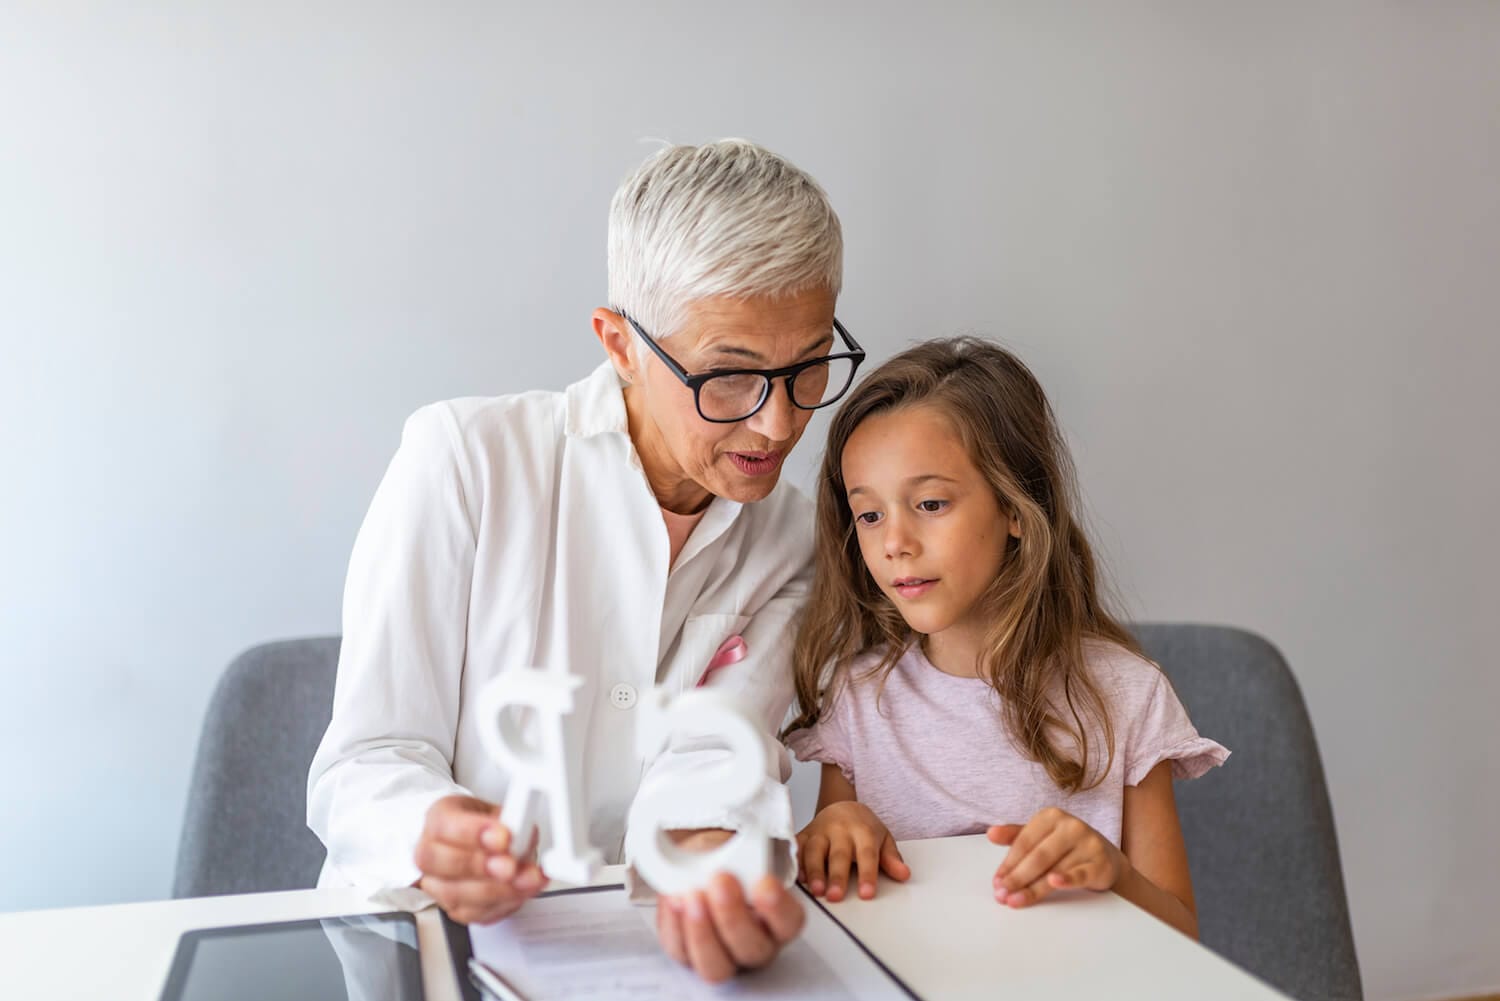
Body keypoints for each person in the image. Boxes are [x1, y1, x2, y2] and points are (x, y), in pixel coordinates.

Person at [307, 139, 865, 983]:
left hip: (647, 965)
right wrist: (432, 830)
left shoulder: (794, 540)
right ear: (620, 344)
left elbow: (715, 755)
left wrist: (708, 856)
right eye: (730, 377)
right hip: (425, 956)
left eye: (810, 366)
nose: (780, 425)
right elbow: (367, 758)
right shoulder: (464, 461)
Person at [784, 338, 1227, 938]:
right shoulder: (858, 696)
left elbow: (1183, 937)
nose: (894, 543)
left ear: (1017, 508)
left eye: (931, 503)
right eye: (869, 515)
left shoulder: (1127, 695)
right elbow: (840, 903)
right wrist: (833, 832)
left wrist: (1114, 876)